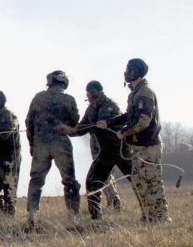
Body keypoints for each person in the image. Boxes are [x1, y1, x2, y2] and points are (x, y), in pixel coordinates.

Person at [98, 58, 169, 223]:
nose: (126, 73)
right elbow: (128, 116)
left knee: (153, 183)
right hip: (137, 147)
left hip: (148, 147)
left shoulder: (145, 92)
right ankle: (148, 216)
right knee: (138, 183)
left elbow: (143, 120)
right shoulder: (134, 93)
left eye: (129, 69)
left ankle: (161, 218)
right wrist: (108, 123)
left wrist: (123, 133)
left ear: (136, 72)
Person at [62, 81, 131, 219]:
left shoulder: (110, 105)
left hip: (120, 149)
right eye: (88, 94)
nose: (89, 96)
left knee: (136, 179)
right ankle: (96, 216)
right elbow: (82, 127)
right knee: (92, 182)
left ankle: (151, 211)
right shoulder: (91, 109)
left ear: (98, 93)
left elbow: (101, 124)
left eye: (91, 93)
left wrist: (89, 127)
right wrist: (66, 130)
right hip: (105, 151)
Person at [25, 70, 82, 228]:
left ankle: (32, 216)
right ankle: (72, 217)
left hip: (40, 143)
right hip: (61, 143)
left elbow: (28, 121)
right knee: (69, 180)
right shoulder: (69, 99)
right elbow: (74, 122)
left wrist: (31, 143)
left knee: (36, 180)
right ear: (64, 82)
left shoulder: (38, 98)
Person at [0, 90, 21, 216]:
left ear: (0, 101)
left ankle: (9, 214)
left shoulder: (8, 114)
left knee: (9, 184)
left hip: (9, 154)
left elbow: (6, 134)